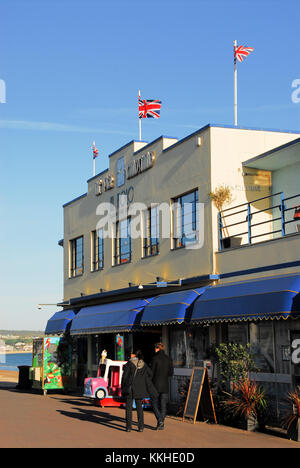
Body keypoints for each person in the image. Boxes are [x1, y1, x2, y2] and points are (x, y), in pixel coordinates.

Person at [121, 350, 157, 432]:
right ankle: (140, 427)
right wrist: (143, 381)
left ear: (133, 355)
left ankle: (128, 427)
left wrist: (123, 386)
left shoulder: (129, 363)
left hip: (130, 388)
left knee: (129, 408)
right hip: (140, 388)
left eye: (131, 354)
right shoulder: (143, 364)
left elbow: (124, 377)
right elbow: (150, 374)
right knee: (139, 407)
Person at [150, 342, 174, 430]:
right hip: (165, 384)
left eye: (155, 348)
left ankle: (160, 420)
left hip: (155, 384)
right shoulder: (169, 359)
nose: (154, 349)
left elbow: (151, 373)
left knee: (153, 403)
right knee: (163, 404)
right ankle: (161, 423)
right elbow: (171, 373)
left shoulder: (155, 358)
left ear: (157, 348)